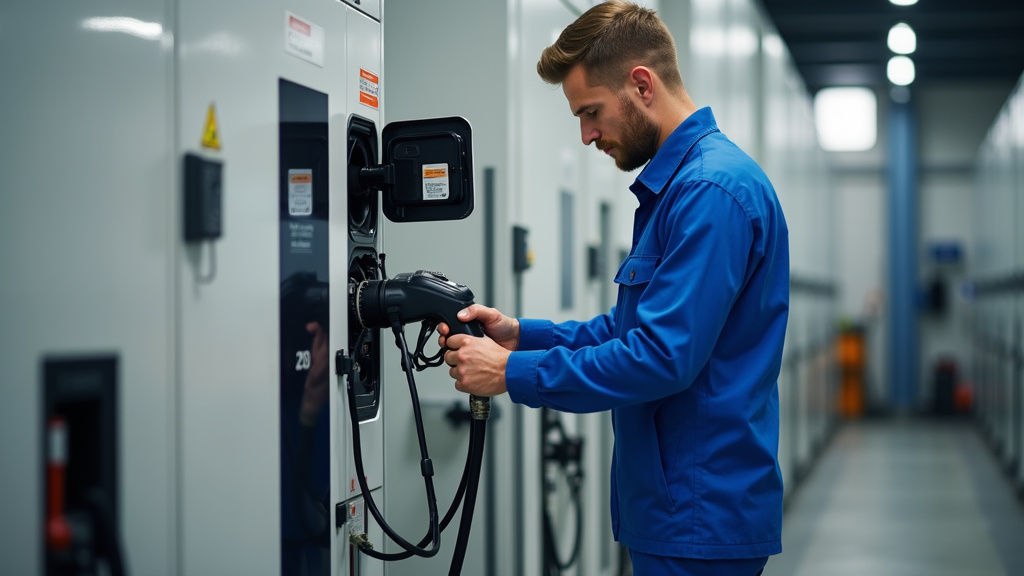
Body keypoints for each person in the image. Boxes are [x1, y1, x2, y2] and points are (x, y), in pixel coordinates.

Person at [440, 2, 789, 574]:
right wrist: (521, 336)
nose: (585, 135)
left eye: (592, 112)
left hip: (697, 515)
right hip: (677, 510)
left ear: (642, 85)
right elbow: (630, 329)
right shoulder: (681, 188)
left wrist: (510, 374)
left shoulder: (708, 192)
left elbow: (660, 357)